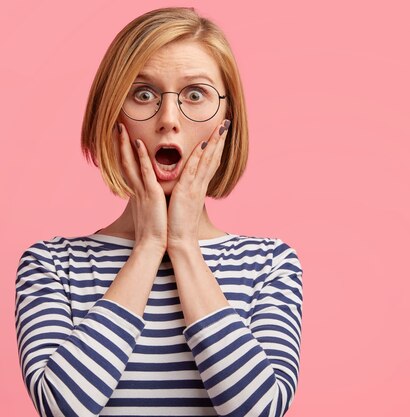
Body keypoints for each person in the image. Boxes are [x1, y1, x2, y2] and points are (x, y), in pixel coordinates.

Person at [14, 7, 303, 417]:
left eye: (196, 94)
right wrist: (149, 244)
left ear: (226, 122)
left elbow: (257, 410)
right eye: (143, 94)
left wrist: (182, 244)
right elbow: (64, 409)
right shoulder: (51, 264)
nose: (168, 120)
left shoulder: (270, 264)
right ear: (110, 116)